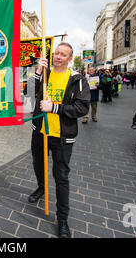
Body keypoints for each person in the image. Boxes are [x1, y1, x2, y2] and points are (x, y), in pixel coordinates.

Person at [29, 42, 90, 238]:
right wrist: (38, 70)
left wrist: (54, 108)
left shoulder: (77, 79)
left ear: (70, 58)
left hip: (62, 136)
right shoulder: (45, 73)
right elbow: (29, 92)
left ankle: (62, 219)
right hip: (40, 131)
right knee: (38, 164)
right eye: (56, 53)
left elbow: (82, 109)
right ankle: (41, 187)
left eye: (63, 55)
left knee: (61, 176)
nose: (58, 57)